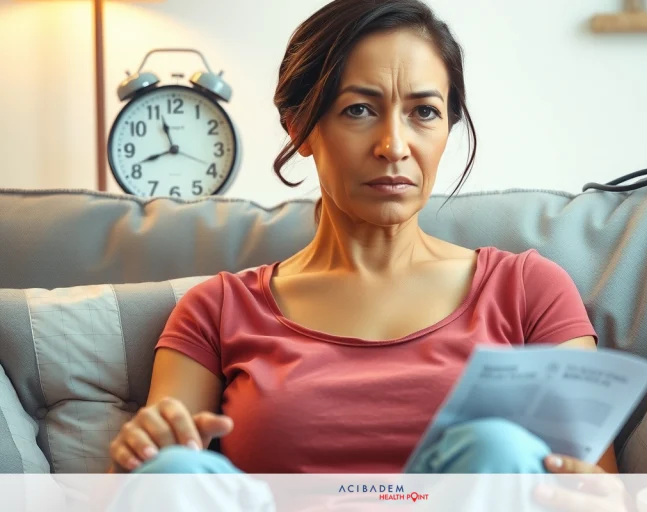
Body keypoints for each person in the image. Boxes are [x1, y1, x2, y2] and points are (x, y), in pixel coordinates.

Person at [107, 0, 618, 480]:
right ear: (300, 128)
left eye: (424, 112)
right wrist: (140, 454)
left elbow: (596, 490)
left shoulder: (529, 291)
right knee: (172, 468)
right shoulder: (218, 309)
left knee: (497, 448)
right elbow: (154, 483)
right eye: (358, 110)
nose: (394, 146)